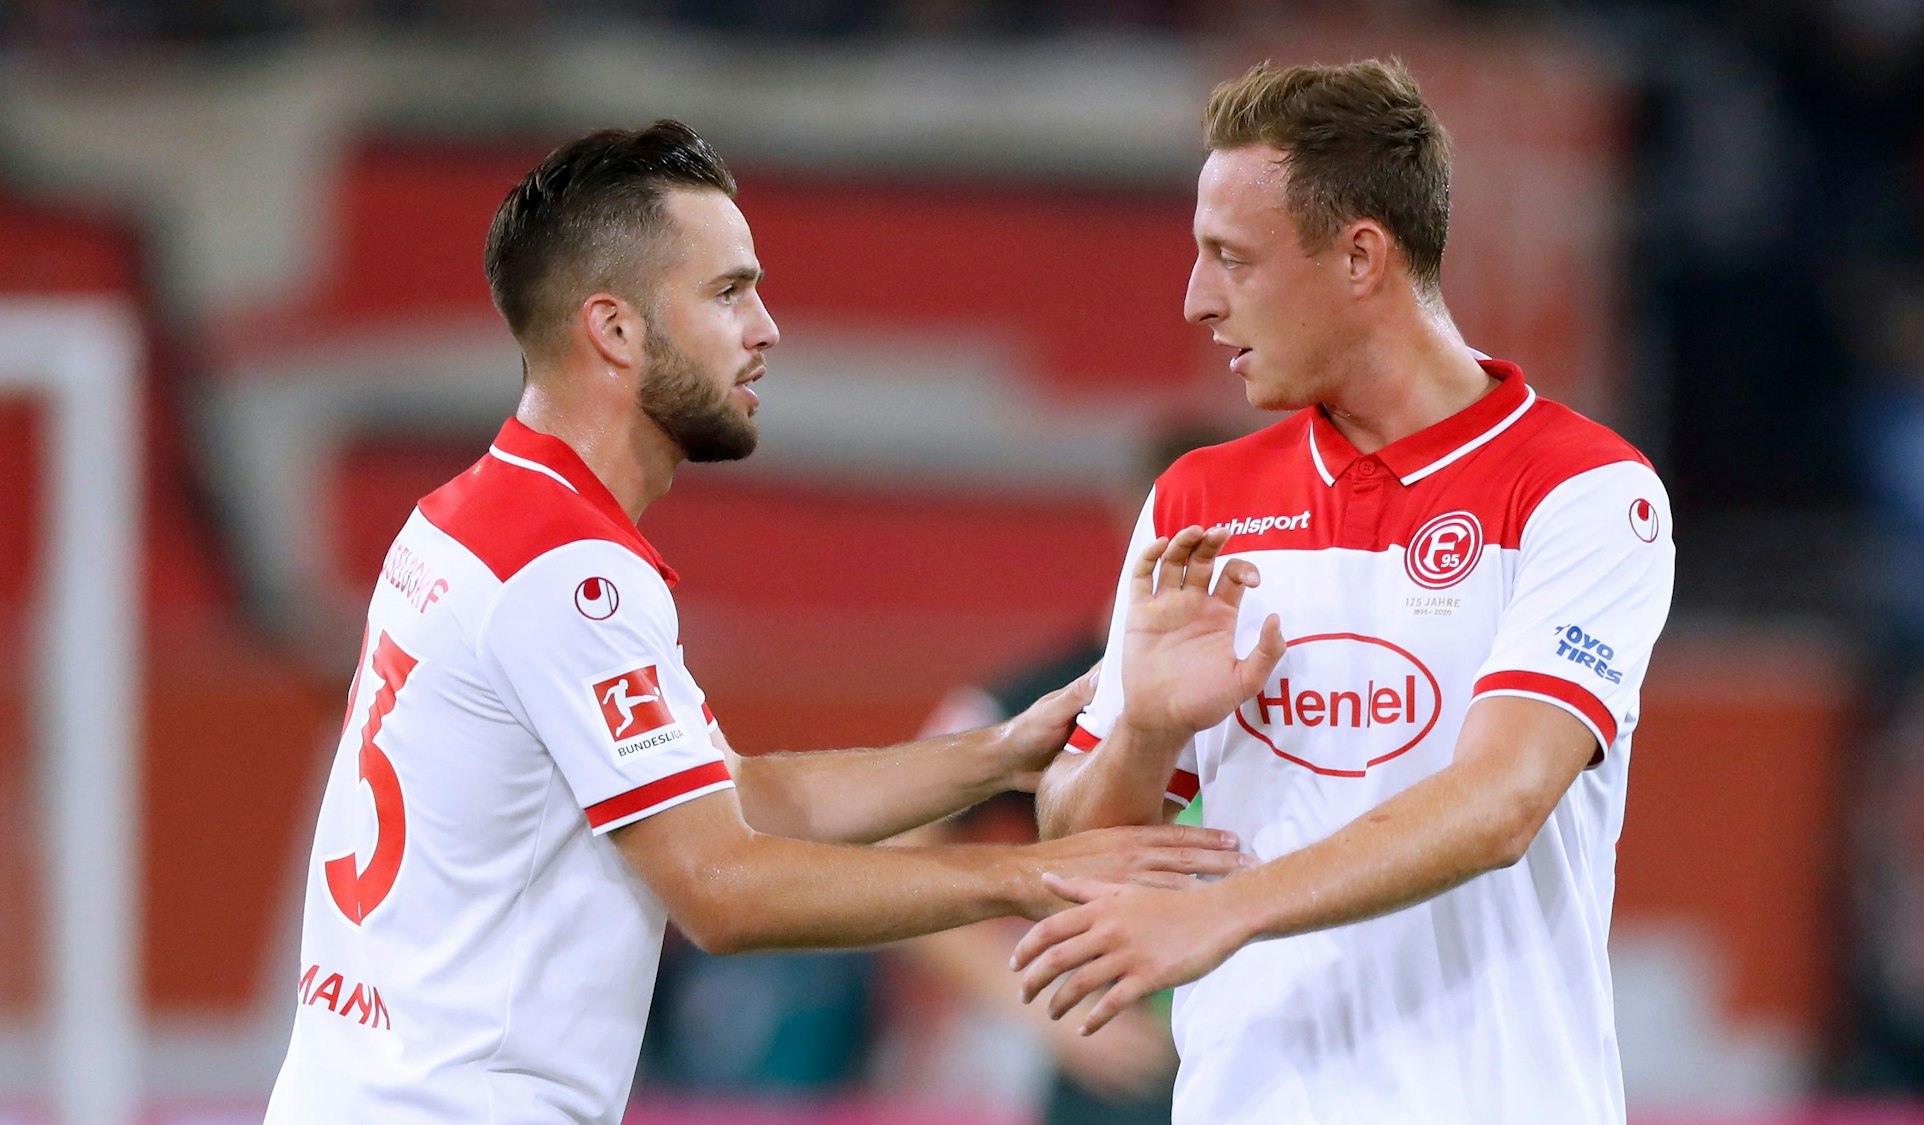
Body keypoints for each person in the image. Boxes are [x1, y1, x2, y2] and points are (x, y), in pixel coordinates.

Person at [262, 120, 1252, 1125]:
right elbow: (721, 887)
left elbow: (735, 798)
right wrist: (1029, 873)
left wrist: (999, 754)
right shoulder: (570, 574)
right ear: (614, 330)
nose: (766, 328)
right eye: (728, 293)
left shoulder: (470, 520)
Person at [1017, 59, 1677, 1123]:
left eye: (1232, 258)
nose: (1195, 300)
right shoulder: (1198, 499)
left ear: (1360, 256)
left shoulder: (1585, 490)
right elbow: (1076, 842)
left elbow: (1501, 801)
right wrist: (1146, 731)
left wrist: (1223, 911)